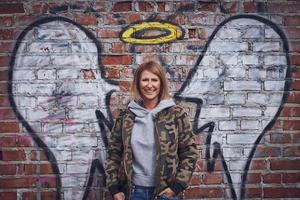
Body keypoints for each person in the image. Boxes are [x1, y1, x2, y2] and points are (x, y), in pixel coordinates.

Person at [106, 61, 198, 200]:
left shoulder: (176, 114)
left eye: (154, 80)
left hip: (165, 193)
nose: (149, 85)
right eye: (145, 80)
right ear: (138, 83)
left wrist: (177, 186)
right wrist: (114, 189)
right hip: (133, 192)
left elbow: (189, 152)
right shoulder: (126, 116)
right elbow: (114, 153)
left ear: (161, 83)